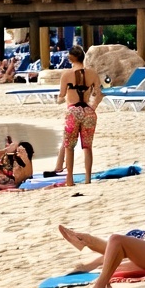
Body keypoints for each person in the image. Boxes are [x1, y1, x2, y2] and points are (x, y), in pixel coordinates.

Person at [56, 45, 102, 187]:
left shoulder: (66, 75)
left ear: (70, 58)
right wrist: (93, 106)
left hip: (73, 111)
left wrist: (60, 99)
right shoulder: (93, 74)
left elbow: (61, 96)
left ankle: (69, 179)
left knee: (69, 147)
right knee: (87, 147)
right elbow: (99, 94)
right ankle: (88, 178)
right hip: (88, 112)